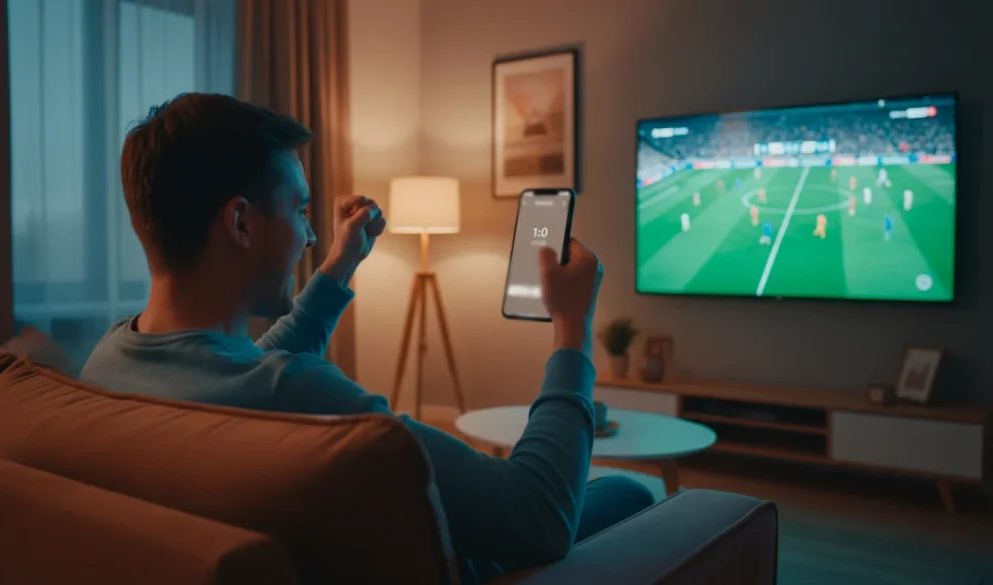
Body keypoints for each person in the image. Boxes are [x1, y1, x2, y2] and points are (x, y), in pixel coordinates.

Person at [80, 94, 653, 583]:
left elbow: (249, 368)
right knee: (630, 490)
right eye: (301, 210)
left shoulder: (109, 362)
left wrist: (341, 264)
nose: (309, 235)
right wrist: (572, 327)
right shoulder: (298, 398)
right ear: (240, 223)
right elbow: (539, 515)